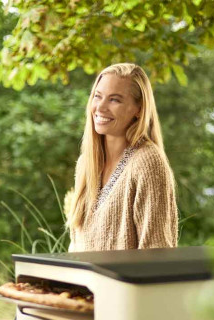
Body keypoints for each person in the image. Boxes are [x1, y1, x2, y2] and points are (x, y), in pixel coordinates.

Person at [68, 63, 178, 251]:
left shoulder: (147, 163)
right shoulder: (86, 164)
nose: (100, 107)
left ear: (138, 109)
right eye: (97, 96)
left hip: (128, 282)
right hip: (82, 281)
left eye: (115, 100)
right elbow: (75, 248)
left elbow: (157, 253)